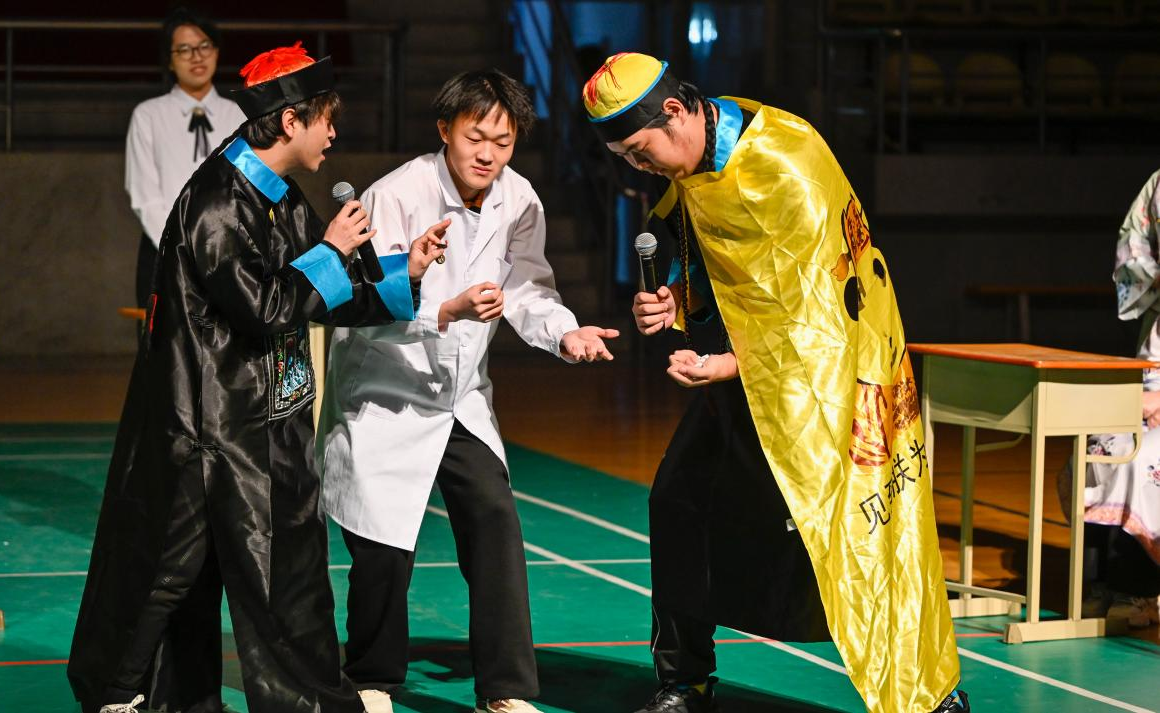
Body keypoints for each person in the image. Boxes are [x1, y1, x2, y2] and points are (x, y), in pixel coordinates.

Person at [68, 42, 449, 713]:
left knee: (287, 576)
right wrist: (330, 251)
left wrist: (404, 271)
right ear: (290, 121)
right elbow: (266, 306)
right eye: (326, 120)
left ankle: (305, 700)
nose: (334, 134)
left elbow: (319, 294)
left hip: (269, 420)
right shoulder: (217, 202)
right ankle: (122, 693)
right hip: (210, 425)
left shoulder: (279, 196)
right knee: (172, 571)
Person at [583, 52, 968, 713]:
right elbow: (707, 260)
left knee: (859, 528)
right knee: (678, 500)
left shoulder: (783, 164)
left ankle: (930, 695)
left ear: (674, 111)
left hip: (838, 378)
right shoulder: (696, 165)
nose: (640, 170)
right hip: (756, 369)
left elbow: (817, 318)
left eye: (641, 153)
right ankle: (684, 680)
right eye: (626, 159)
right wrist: (672, 299)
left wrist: (725, 365)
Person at [316, 70, 619, 713]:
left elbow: (529, 289)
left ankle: (505, 691)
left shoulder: (521, 198)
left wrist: (564, 334)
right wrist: (444, 310)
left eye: (502, 142)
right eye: (474, 137)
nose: (487, 154)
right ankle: (371, 677)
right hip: (385, 392)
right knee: (383, 547)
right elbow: (362, 303)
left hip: (460, 397)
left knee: (494, 524)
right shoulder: (395, 195)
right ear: (444, 130)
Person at [1057, 168, 1160, 628]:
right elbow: (1133, 250)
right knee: (1097, 445)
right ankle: (1101, 581)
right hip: (1153, 365)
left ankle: (1140, 586)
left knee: (1144, 460)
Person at [125, 6, 246, 313]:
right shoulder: (148, 115)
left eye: (204, 46)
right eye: (184, 49)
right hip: (163, 251)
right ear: (169, 59)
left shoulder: (238, 115)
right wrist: (184, 250)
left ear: (216, 51)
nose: (197, 57)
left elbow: (245, 190)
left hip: (228, 255)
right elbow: (144, 197)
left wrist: (222, 249)